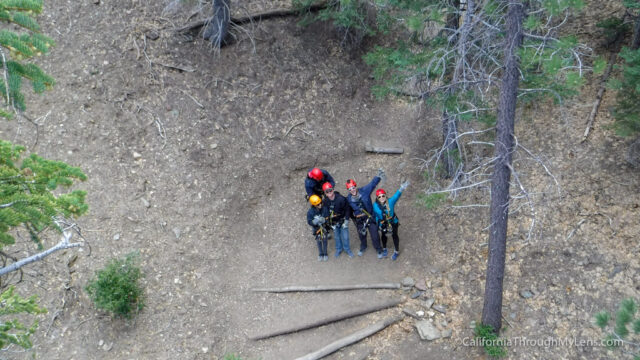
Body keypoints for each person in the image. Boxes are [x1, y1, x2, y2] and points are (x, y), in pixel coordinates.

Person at [346, 168, 386, 258]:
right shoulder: (348, 199)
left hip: (370, 217)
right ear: (348, 190)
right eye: (349, 189)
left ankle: (379, 249)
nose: (352, 190)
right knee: (361, 235)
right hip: (360, 220)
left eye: (353, 187)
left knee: (375, 235)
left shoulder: (364, 191)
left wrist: (378, 176)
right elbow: (348, 210)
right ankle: (363, 246)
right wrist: (349, 219)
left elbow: (372, 184)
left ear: (355, 186)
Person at [373, 180, 409, 260]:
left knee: (395, 236)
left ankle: (396, 251)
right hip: (383, 224)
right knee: (383, 236)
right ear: (377, 198)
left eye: (383, 196)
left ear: (385, 196)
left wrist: (402, 188)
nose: (382, 198)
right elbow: (375, 215)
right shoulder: (375, 206)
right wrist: (379, 224)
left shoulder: (390, 202)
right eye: (379, 196)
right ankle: (384, 248)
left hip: (393, 222)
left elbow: (396, 195)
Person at [322, 182, 354, 258]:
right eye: (327, 191)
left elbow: (347, 209)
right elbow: (325, 213)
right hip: (334, 222)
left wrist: (346, 220)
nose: (329, 192)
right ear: (325, 193)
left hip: (342, 220)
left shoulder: (341, 199)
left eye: (330, 190)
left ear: (333, 190)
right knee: (337, 237)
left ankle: (347, 249)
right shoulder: (325, 202)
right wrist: (329, 224)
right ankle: (339, 249)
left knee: (345, 236)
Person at [307, 194, 329, 261]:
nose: (320, 205)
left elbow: (327, 217)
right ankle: (320, 254)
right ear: (314, 205)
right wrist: (314, 222)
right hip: (316, 228)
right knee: (319, 241)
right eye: (318, 204)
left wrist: (324, 220)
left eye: (320, 203)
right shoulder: (310, 212)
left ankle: (325, 253)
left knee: (325, 240)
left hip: (324, 227)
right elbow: (309, 221)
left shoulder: (324, 209)